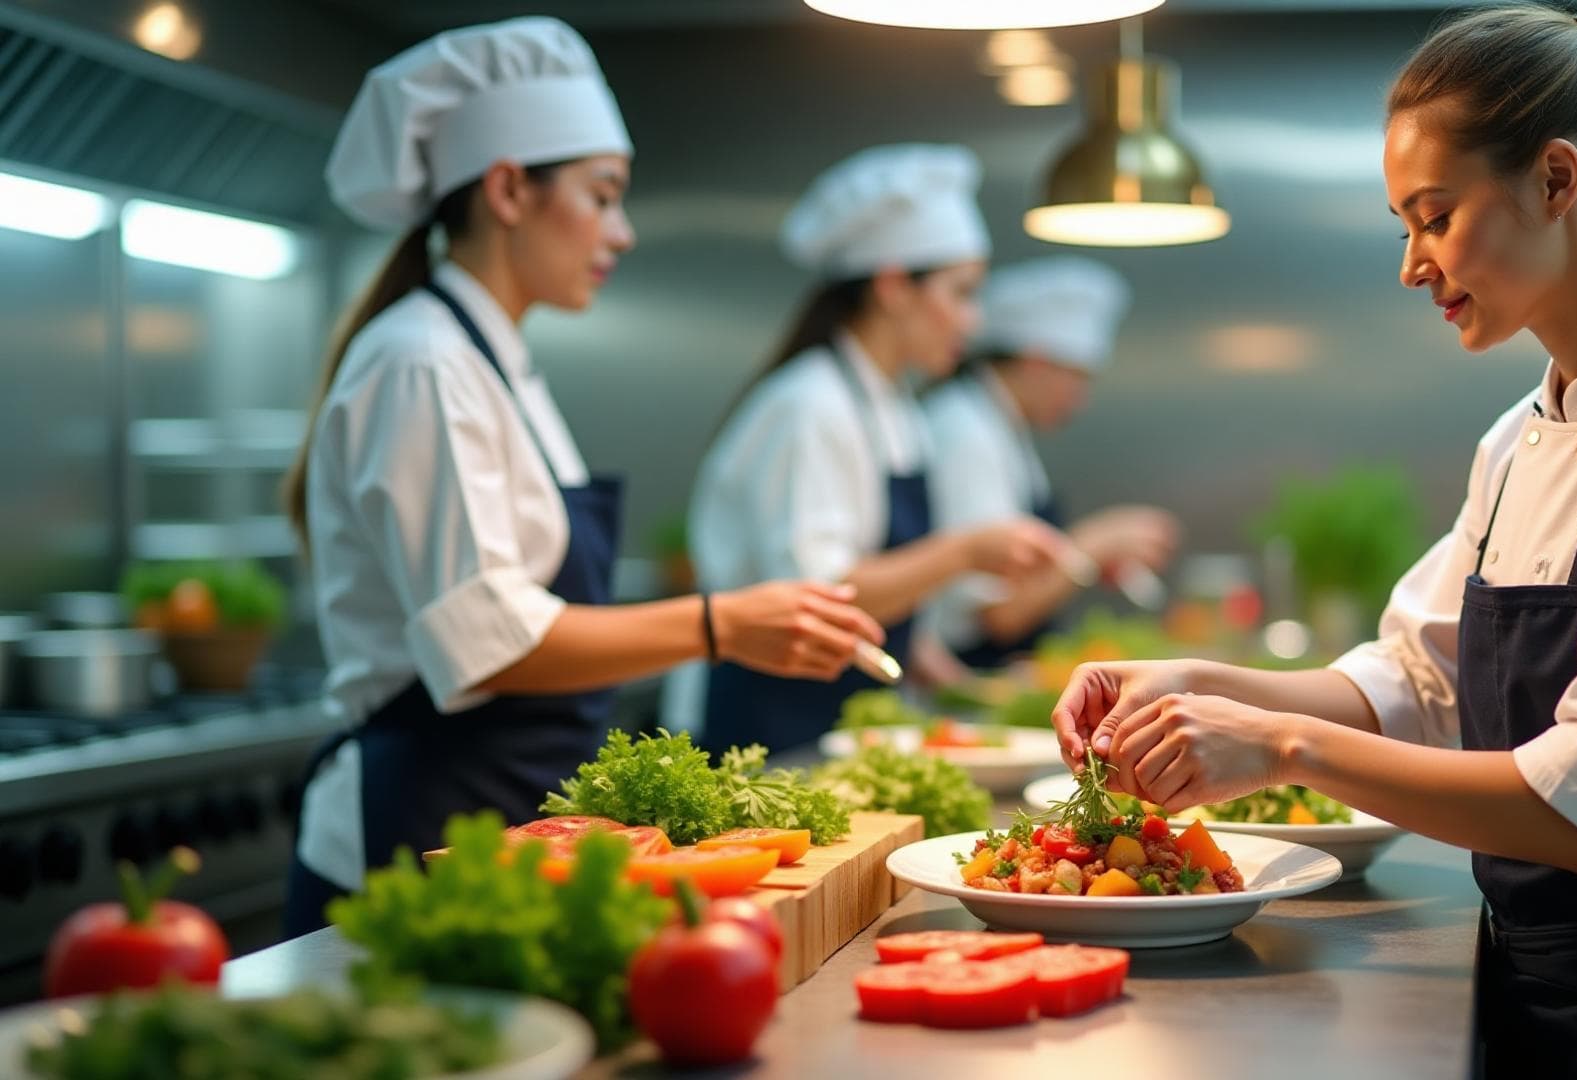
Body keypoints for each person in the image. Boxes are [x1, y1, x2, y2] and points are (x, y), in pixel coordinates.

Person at [1049, 4, 1577, 1076]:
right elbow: (1418, 682)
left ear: (1556, 180)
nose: (1413, 264)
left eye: (1434, 217)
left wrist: (1281, 747)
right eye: (1406, 226)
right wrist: (1194, 684)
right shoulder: (1522, 436)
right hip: (1551, 1002)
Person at [282, 17, 882, 937]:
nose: (622, 233)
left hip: (511, 811)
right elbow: (493, 643)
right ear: (508, 190)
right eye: (602, 197)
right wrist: (721, 624)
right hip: (421, 823)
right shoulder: (422, 361)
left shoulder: (492, 361)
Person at [677, 144, 1069, 753]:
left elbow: (882, 593)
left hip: (845, 716)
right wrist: (964, 552)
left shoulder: (891, 405)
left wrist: (956, 684)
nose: (972, 322)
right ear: (892, 287)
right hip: (772, 721)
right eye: (961, 293)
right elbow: (816, 597)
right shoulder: (811, 405)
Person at [923, 256, 1179, 670]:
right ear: (1036, 361)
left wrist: (1085, 560)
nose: (1080, 399)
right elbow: (998, 615)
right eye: (1078, 377)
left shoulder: (1000, 427)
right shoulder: (966, 433)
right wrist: (1091, 547)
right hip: (966, 672)